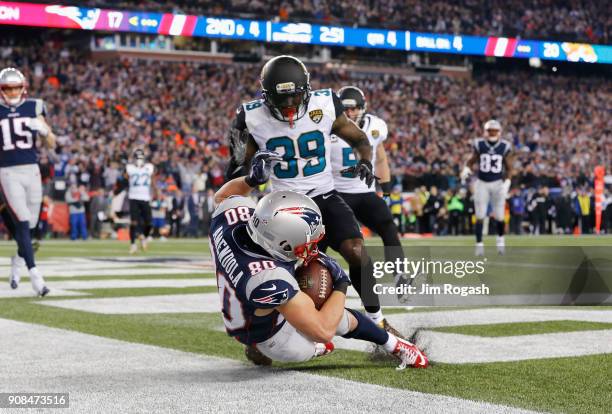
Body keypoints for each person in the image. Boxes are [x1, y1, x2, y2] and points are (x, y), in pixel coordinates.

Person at [230, 56, 402, 335]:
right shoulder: (250, 117)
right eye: (281, 99)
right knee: (278, 275)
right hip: (281, 206)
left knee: (356, 251)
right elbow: (236, 168)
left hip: (323, 194)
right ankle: (259, 336)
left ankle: (378, 318)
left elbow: (359, 139)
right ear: (266, 96)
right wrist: (252, 172)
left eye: (294, 97)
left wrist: (366, 161)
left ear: (306, 90)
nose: (288, 106)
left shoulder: (325, 104)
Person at [212, 151, 428, 369]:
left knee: (326, 306)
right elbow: (323, 330)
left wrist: (251, 181)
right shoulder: (267, 278)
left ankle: (395, 345)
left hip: (252, 294)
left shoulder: (232, 217)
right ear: (283, 244)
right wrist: (342, 283)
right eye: (308, 242)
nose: (313, 247)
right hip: (265, 332)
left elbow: (222, 197)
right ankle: (284, 348)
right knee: (318, 331)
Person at [330, 86, 411, 295]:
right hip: (334, 192)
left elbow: (381, 159)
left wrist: (386, 190)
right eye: (345, 108)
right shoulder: (327, 125)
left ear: (363, 108)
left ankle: (400, 276)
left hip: (363, 191)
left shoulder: (376, 126)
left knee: (387, 225)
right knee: (321, 239)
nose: (349, 113)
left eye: (354, 108)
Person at [0, 68, 54, 295]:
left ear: (23, 88)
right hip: (8, 172)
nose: (12, 92)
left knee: (30, 227)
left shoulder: (35, 106)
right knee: (22, 221)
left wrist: (43, 130)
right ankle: (35, 275)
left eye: (15, 87)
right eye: (7, 88)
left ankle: (18, 262)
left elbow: (52, 142)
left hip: (32, 171)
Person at [461, 119, 513, 256]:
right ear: (486, 131)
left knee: (500, 216)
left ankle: (500, 242)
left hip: (497, 183)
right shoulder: (479, 145)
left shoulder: (504, 146)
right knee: (480, 215)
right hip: (482, 182)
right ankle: (479, 245)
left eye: (494, 131)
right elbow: (471, 160)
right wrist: (466, 168)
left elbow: (509, 168)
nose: (492, 133)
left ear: (499, 132)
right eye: (490, 130)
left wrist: (507, 182)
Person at [121, 149, 154, 253]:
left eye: (141, 158)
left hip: (145, 197)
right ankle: (133, 244)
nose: (139, 160)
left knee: (148, 222)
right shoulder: (129, 168)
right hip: (134, 197)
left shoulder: (149, 167)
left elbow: (152, 178)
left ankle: (143, 237)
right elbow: (124, 177)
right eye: (137, 158)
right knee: (134, 222)